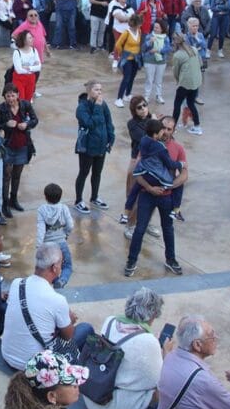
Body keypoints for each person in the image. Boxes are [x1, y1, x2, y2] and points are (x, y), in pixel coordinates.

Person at [82, 287, 173, 409]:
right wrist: (166, 353)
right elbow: (159, 380)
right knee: (166, 387)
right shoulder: (148, 341)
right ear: (153, 315)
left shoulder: (110, 321)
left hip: (92, 398)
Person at [1, 245, 93, 369]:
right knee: (86, 329)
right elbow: (68, 336)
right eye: (61, 262)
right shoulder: (57, 300)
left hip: (8, 355)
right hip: (34, 367)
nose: (62, 266)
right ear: (54, 268)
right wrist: (69, 320)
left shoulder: (17, 283)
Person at [123, 118, 186, 277]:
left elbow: (185, 174)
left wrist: (168, 186)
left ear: (174, 131)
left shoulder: (178, 149)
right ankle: (131, 261)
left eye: (169, 129)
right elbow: (137, 172)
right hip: (147, 194)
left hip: (166, 196)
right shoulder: (149, 145)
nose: (165, 131)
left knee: (168, 229)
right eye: (163, 128)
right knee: (140, 229)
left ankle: (170, 259)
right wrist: (150, 188)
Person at [73, 80, 115, 213]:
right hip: (87, 146)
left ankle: (94, 197)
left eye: (100, 90)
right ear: (89, 91)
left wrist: (110, 137)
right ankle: (78, 200)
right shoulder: (82, 108)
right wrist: (97, 107)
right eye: (97, 90)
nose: (100, 92)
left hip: (101, 145)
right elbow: (90, 123)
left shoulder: (103, 105)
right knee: (84, 173)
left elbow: (109, 121)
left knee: (97, 173)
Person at [0, 85, 37, 214]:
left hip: (23, 145)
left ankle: (14, 199)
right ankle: (5, 203)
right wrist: (6, 125)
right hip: (8, 145)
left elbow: (35, 120)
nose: (11, 98)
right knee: (6, 175)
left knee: (17, 175)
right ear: (4, 97)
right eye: (8, 96)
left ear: (18, 95)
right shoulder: (1, 109)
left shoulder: (25, 105)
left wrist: (27, 124)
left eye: (13, 95)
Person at [170, 32, 204, 135]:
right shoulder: (193, 49)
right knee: (191, 103)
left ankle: (172, 127)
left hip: (185, 83)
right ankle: (197, 126)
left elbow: (175, 71)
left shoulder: (177, 55)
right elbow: (201, 63)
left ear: (175, 42)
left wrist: (178, 81)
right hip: (196, 82)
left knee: (177, 105)